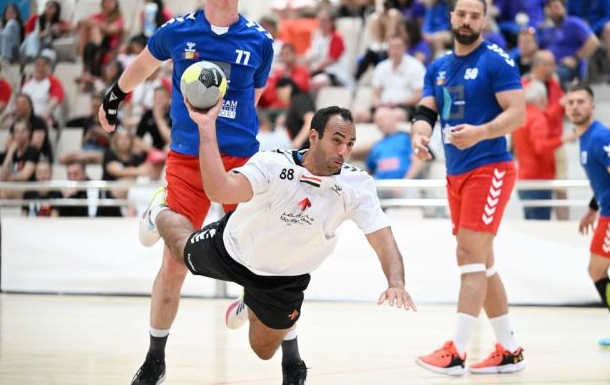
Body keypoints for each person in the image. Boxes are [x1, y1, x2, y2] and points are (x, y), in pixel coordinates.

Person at [139, 104, 417, 384]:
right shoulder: (272, 164)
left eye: (350, 144)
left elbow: (383, 238)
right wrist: (206, 127)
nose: (343, 151)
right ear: (313, 137)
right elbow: (219, 190)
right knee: (179, 247)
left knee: (262, 350)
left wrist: (396, 283)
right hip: (232, 250)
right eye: (336, 140)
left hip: (285, 278)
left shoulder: (357, 185)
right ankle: (158, 210)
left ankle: (249, 301)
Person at [97, 0, 274, 383]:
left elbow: (253, 97)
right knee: (174, 263)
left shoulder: (260, 41)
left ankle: (249, 299)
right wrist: (114, 96)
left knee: (256, 251)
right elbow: (143, 65)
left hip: (239, 161)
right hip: (187, 158)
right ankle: (155, 358)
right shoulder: (177, 32)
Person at [411, 0, 526, 376]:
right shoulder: (439, 66)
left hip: (489, 168)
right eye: (461, 13)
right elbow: (426, 111)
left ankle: (457, 352)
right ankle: (509, 350)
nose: (467, 20)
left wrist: (480, 132)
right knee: (483, 262)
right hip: (456, 172)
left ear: (484, 21)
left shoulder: (496, 61)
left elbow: (518, 113)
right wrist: (419, 135)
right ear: (451, 16)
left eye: (475, 15)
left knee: (468, 255)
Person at [566, 84, 610, 346]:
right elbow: (605, 180)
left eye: (581, 102)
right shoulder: (586, 137)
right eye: (571, 102)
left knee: (596, 270)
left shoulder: (600, 136)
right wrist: (593, 208)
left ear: (592, 106)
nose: (575, 107)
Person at [513, 80, 575, 220]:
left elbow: (546, 116)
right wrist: (562, 139)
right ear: (542, 98)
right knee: (539, 223)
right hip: (539, 179)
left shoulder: (523, 116)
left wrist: (558, 106)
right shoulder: (538, 118)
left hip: (525, 179)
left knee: (531, 222)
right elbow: (540, 147)